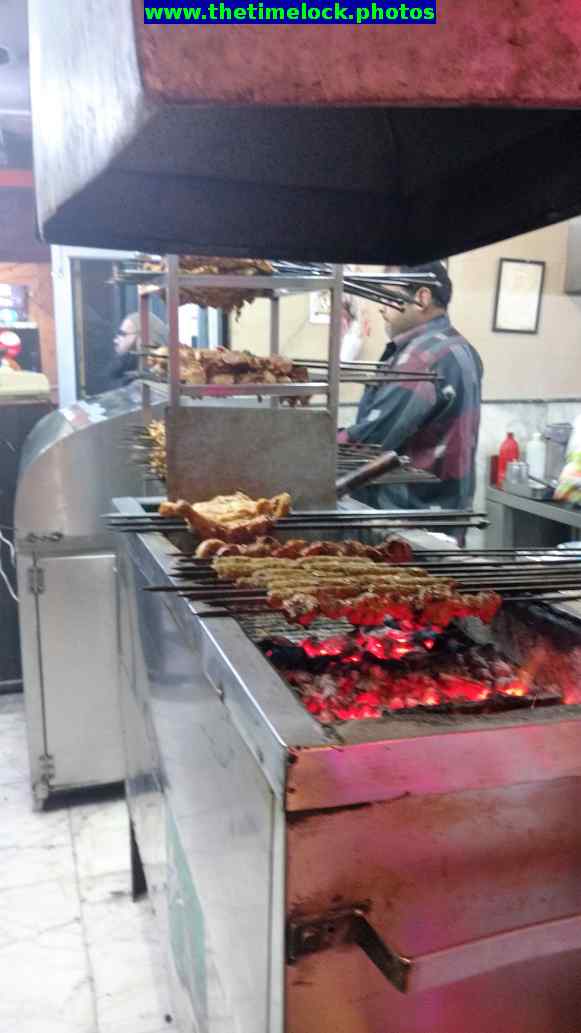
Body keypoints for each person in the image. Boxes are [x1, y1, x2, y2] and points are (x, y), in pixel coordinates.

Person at [339, 261, 483, 513]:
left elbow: (369, 443)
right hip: (448, 512)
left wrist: (308, 446)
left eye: (387, 295)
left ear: (421, 298)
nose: (381, 307)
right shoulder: (463, 348)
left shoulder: (422, 357)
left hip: (409, 517)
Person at [108, 311, 168, 388]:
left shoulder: (157, 376)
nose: (115, 340)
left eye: (122, 334)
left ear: (141, 337)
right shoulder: (131, 364)